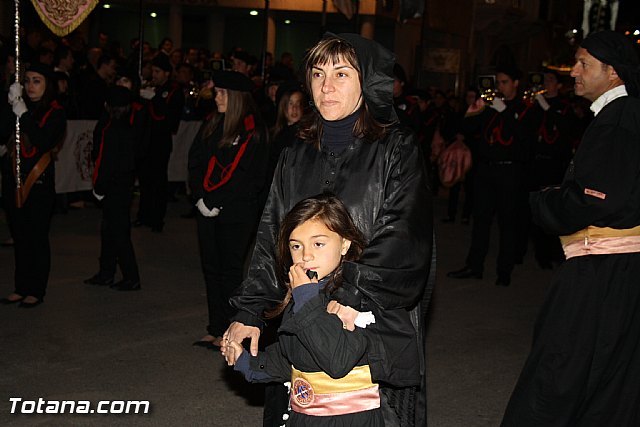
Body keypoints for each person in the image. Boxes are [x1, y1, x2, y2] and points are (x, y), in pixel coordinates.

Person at [224, 33, 433, 426]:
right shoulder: (295, 152)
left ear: (366, 81)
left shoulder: (395, 148)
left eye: (341, 73)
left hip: (367, 322)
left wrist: (353, 293)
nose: (326, 86)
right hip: (299, 317)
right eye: (318, 74)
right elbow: (272, 236)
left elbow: (403, 234)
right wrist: (251, 310)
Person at [501, 30, 640, 426]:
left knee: (558, 373)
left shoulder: (621, 116)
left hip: (601, 273)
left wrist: (546, 202)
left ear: (612, 72)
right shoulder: (620, 114)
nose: (573, 71)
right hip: (618, 271)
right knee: (606, 380)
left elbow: (599, 198)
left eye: (584, 64)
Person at [222, 193, 384, 425]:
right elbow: (295, 355)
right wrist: (247, 362)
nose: (306, 255)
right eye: (296, 246)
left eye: (318, 243)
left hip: (346, 419)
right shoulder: (306, 291)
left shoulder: (354, 296)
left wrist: (306, 298)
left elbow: (336, 361)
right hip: (306, 416)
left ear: (345, 244)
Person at [188, 70, 269, 348]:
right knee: (211, 268)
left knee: (231, 271)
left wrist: (218, 202)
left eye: (221, 93)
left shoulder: (252, 129)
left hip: (235, 211)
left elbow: (246, 175)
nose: (216, 97)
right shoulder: (212, 123)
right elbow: (195, 159)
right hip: (206, 207)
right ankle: (215, 326)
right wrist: (200, 197)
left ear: (235, 97)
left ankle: (232, 331)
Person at [447, 67, 536, 286]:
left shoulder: (526, 107)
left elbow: (524, 137)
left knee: (508, 223)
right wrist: (477, 106)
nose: (500, 87)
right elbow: (466, 127)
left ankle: (504, 271)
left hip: (510, 171)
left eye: (505, 82)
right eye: (499, 83)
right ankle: (474, 266)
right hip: (486, 169)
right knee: (481, 221)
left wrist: (503, 109)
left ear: (515, 83)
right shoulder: (489, 105)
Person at [0, 63, 66, 307]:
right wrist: (9, 103)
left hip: (38, 181)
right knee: (19, 235)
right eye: (27, 80)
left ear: (47, 84)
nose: (30, 86)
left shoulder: (56, 111)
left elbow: (42, 140)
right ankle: (21, 286)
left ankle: (36, 289)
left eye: (36, 81)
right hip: (12, 177)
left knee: (36, 236)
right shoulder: (18, 104)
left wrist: (23, 113)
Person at [83, 86, 141, 291]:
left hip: (113, 186)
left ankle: (130, 276)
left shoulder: (109, 128)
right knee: (110, 230)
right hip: (124, 185)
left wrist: (98, 187)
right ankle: (106, 272)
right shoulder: (129, 126)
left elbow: (103, 161)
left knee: (117, 232)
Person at [135, 54, 185, 232]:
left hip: (160, 142)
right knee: (145, 181)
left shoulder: (173, 91)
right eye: (153, 71)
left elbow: (168, 120)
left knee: (158, 181)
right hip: (146, 141)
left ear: (166, 73)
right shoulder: (153, 88)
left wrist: (154, 99)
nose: (153, 75)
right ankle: (143, 215)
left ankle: (157, 218)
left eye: (157, 71)